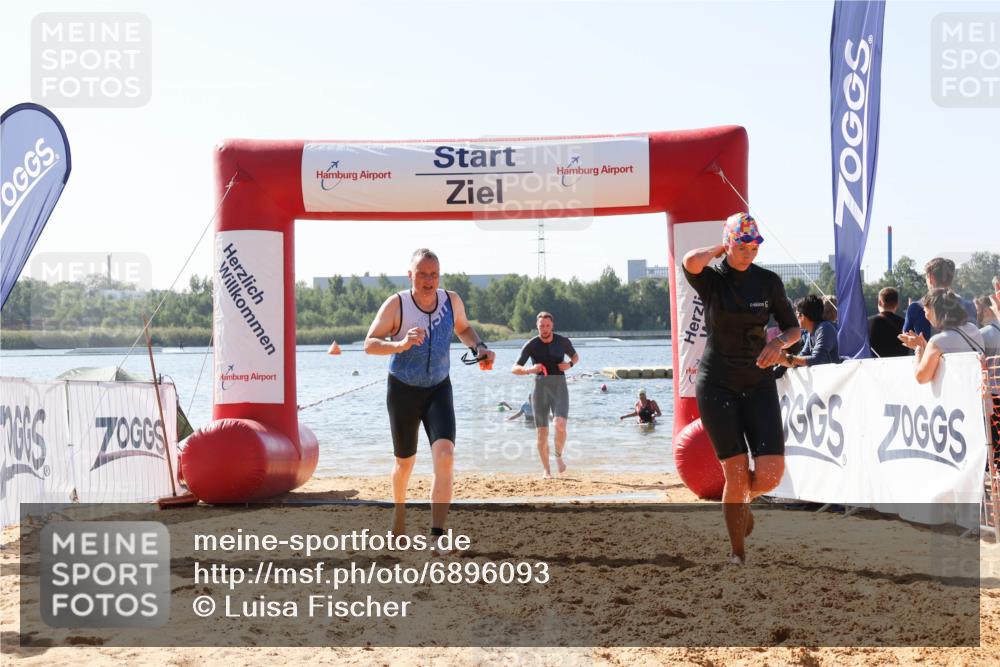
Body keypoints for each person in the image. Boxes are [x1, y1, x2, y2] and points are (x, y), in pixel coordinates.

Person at [682, 211, 801, 565]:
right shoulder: (714, 281)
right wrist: (721, 246)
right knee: (734, 472)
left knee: (770, 475)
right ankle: (737, 553)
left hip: (758, 380)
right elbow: (690, 262)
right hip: (717, 384)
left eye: (755, 245)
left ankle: (741, 501)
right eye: (743, 244)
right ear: (730, 243)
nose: (750, 251)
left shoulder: (768, 282)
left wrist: (779, 345)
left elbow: (793, 329)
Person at [364, 248, 495, 544]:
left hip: (438, 388)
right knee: (404, 464)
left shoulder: (451, 301)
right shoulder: (396, 304)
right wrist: (400, 345)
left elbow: (463, 328)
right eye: (422, 274)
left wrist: (480, 348)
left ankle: (436, 536)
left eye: (434, 274)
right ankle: (399, 514)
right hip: (403, 391)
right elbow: (369, 344)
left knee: (446, 456)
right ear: (410, 275)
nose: (428, 280)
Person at [512, 312, 579, 478]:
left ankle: (558, 456)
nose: (545, 329)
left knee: (560, 424)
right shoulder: (531, 345)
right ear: (537, 326)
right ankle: (546, 470)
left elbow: (575, 356)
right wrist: (530, 369)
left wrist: (569, 364)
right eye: (541, 326)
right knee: (542, 433)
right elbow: (514, 368)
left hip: (559, 386)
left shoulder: (562, 341)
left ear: (552, 326)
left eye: (547, 325)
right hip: (540, 388)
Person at [898, 288, 985, 384]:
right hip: (981, 395)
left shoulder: (937, 341)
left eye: (926, 311)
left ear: (935, 311)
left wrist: (918, 348)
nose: (926, 316)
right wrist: (925, 346)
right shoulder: (973, 329)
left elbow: (921, 377)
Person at [902, 257, 977, 339]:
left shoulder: (916, 308)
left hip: (926, 351)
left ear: (930, 277)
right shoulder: (969, 306)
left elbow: (906, 338)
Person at [779, 295, 840, 368]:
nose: (796, 317)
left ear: (804, 316)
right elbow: (802, 356)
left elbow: (817, 360)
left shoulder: (825, 328)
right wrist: (779, 359)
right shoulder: (811, 332)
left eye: (797, 314)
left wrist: (787, 357)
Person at [867, 287, 910, 358]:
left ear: (880, 302)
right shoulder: (905, 324)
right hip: (900, 366)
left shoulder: (866, 323)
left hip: (874, 366)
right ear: (897, 304)